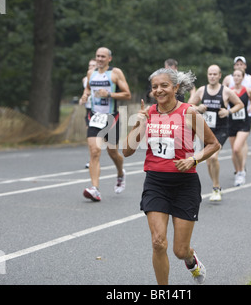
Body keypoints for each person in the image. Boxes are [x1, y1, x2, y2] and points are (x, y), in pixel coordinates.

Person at [123, 68, 220, 285]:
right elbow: (126, 151)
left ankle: (191, 260)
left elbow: (214, 144)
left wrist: (193, 160)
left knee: (179, 250)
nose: (159, 90)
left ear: (175, 88)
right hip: (156, 182)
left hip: (185, 184)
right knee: (158, 242)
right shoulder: (148, 113)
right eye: (155, 87)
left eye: (164, 85)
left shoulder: (189, 113)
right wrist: (138, 124)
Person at [80, 47, 131, 202]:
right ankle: (95, 189)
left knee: (113, 153)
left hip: (111, 118)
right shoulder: (91, 73)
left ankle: (121, 173)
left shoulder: (115, 73)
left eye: (103, 56)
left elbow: (127, 94)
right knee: (94, 151)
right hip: (94, 117)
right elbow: (88, 88)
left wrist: (108, 94)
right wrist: (85, 95)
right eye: (97, 56)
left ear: (109, 58)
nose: (100, 59)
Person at [188, 65, 244, 201]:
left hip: (222, 129)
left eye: (215, 74)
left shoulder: (226, 91)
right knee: (208, 161)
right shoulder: (202, 90)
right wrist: (198, 107)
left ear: (220, 76)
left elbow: (240, 104)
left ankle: (216, 187)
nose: (212, 76)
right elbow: (189, 105)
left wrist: (228, 111)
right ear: (207, 76)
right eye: (210, 74)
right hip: (206, 130)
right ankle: (215, 186)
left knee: (213, 157)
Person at [222, 56, 251, 175]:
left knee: (240, 144)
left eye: (241, 64)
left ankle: (242, 167)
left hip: (246, 114)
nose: (239, 66)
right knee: (235, 147)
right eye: (237, 64)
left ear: (245, 66)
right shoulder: (228, 79)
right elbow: (221, 93)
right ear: (234, 67)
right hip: (231, 115)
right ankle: (239, 168)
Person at [228, 69, 251, 186]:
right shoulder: (229, 91)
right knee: (233, 153)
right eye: (234, 75)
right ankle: (238, 172)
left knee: (236, 148)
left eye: (239, 75)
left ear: (243, 77)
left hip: (244, 122)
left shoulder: (248, 90)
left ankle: (241, 171)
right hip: (231, 123)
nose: (236, 77)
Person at [81, 59, 97, 168]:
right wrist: (83, 98)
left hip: (102, 111)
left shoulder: (103, 78)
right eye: (89, 65)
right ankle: (92, 159)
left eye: (93, 65)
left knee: (111, 147)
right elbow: (85, 91)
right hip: (89, 110)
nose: (90, 67)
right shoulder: (85, 79)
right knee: (90, 135)